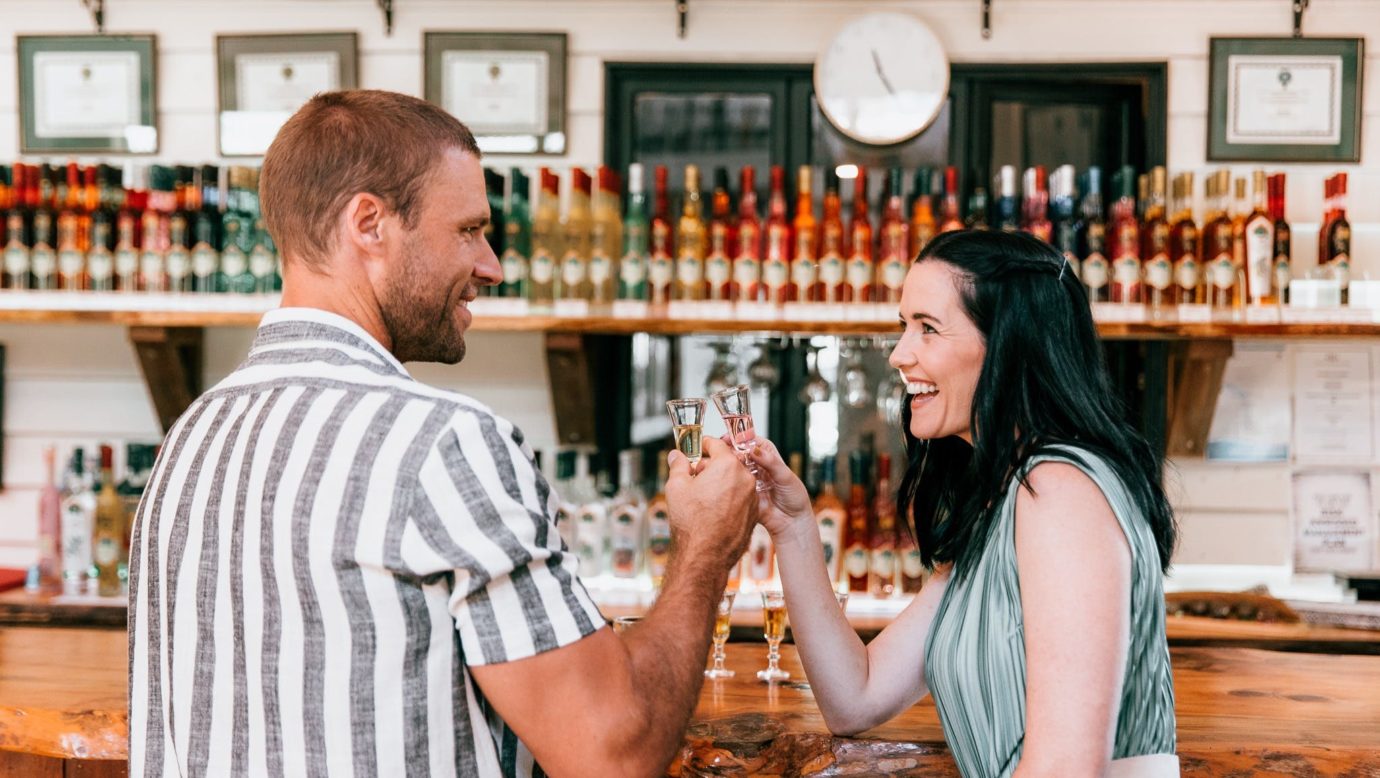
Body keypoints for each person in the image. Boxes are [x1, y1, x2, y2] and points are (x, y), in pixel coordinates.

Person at [127, 89, 757, 777]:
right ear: (369, 223)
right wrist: (703, 549)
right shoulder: (441, 442)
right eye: (468, 230)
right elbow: (612, 754)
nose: (490, 265)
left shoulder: (190, 437)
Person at [747, 229, 1180, 777]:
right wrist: (793, 527)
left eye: (928, 329)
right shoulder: (1004, 503)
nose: (900, 355)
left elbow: (1065, 770)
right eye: (904, 327)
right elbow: (854, 697)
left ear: (1006, 343)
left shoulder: (1062, 491)